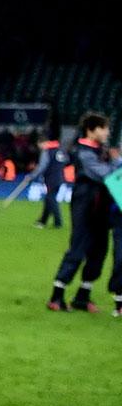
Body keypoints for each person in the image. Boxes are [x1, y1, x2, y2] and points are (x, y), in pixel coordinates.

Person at [47, 114, 115, 312]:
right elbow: (104, 174)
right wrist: (116, 163)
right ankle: (57, 295)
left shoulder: (99, 150)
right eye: (104, 128)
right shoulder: (83, 152)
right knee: (78, 247)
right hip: (85, 205)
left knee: (99, 251)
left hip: (102, 206)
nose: (107, 132)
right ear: (92, 130)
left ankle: (83, 296)